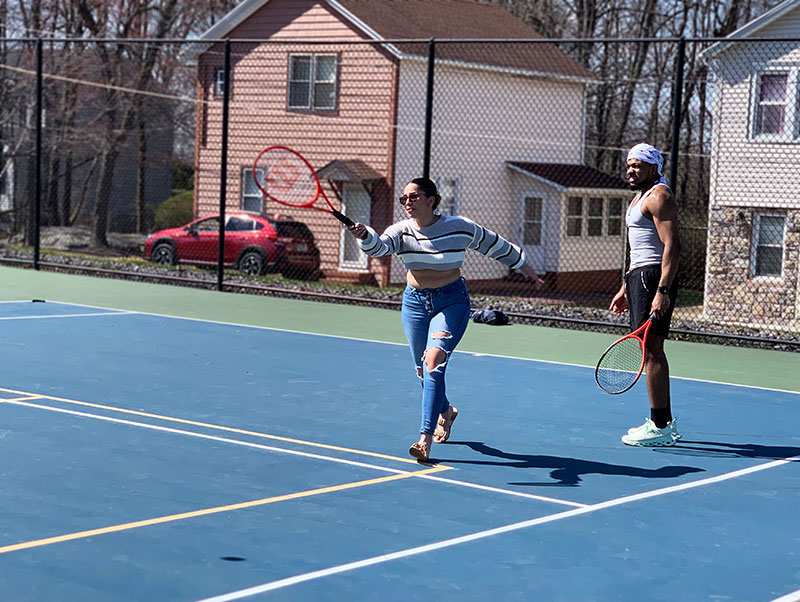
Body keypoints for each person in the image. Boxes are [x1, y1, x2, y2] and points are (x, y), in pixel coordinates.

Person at [348, 177, 544, 461]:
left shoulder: (458, 227)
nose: (407, 203)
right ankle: (446, 411)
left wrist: (524, 267)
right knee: (421, 371)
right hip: (414, 302)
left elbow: (494, 244)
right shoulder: (400, 232)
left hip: (451, 301)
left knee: (433, 361)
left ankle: (424, 437)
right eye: (403, 199)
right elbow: (379, 248)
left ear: (431, 200)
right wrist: (366, 236)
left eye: (413, 197)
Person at [609, 143, 681, 447]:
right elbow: (636, 248)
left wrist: (662, 290)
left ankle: (660, 426)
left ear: (653, 167)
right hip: (639, 277)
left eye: (637, 165)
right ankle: (663, 423)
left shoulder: (660, 196)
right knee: (648, 349)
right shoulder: (640, 197)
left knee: (652, 350)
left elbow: (672, 246)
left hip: (653, 277)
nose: (630, 170)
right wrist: (626, 287)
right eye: (628, 164)